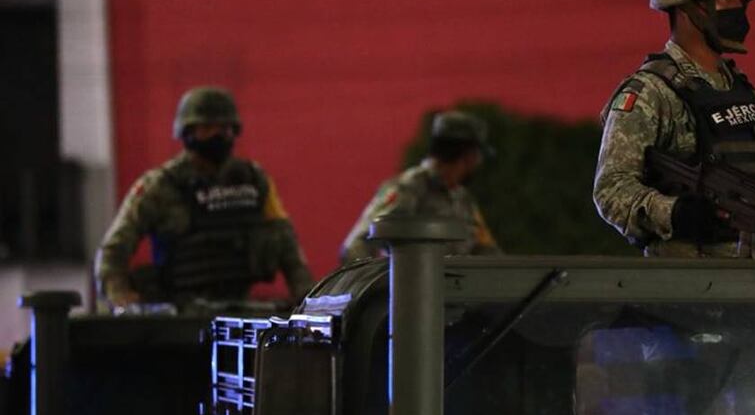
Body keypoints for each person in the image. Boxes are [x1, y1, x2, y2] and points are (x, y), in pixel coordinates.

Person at [593, 0, 755, 258]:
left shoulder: (740, 88)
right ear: (685, 3)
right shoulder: (651, 92)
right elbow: (612, 191)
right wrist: (676, 214)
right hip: (694, 282)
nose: (737, 9)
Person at [94, 86, 314, 310]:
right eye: (208, 128)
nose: (218, 136)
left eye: (225, 128)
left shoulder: (253, 180)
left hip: (241, 306)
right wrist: (122, 298)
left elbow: (286, 242)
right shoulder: (159, 186)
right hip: (179, 313)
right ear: (187, 133)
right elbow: (113, 251)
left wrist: (307, 297)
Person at [340, 110, 501, 261]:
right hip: (412, 287)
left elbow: (486, 249)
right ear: (466, 156)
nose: (477, 163)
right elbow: (356, 245)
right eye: (476, 156)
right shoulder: (409, 189)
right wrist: (383, 287)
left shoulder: (463, 199)